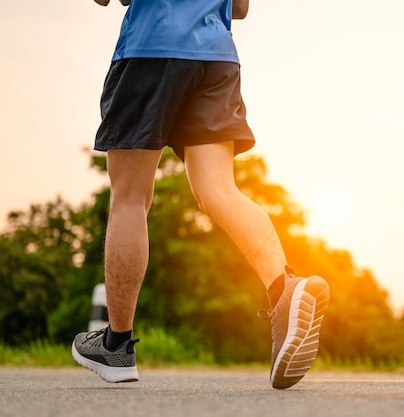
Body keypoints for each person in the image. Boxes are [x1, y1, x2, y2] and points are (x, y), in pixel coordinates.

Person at [72, 0, 330, 390]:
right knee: (218, 190)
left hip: (149, 49)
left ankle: (116, 345)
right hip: (216, 56)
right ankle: (284, 290)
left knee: (129, 198)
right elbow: (239, 7)